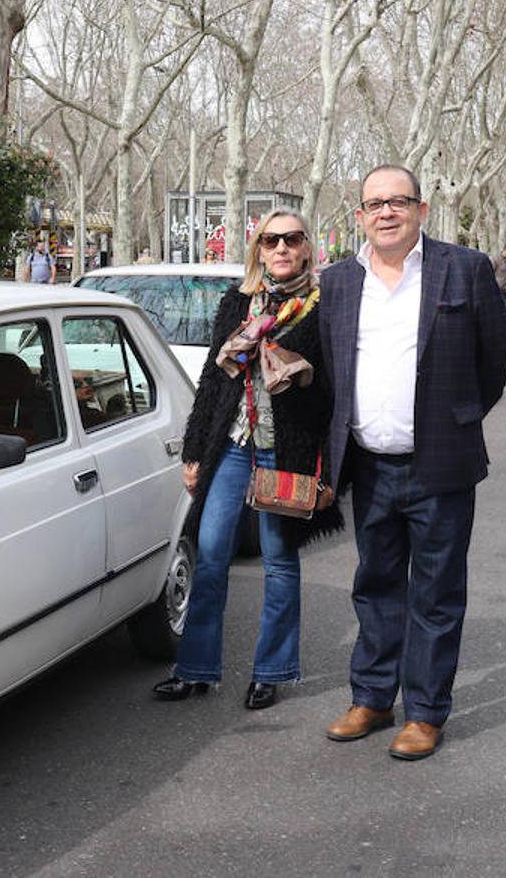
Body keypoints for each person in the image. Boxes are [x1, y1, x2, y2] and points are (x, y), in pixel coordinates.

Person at [317, 164, 506, 760]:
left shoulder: (465, 269)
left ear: (421, 210)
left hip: (440, 465)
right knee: (374, 586)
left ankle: (425, 712)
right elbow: (332, 368)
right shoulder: (339, 282)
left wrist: (454, 417)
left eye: (398, 201)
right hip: (369, 466)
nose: (386, 213)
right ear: (359, 216)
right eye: (374, 204)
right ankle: (373, 698)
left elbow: (493, 364)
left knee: (436, 591)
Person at [155, 209, 343, 711]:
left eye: (292, 239)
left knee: (279, 562)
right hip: (234, 444)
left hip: (286, 449)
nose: (281, 249)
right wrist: (195, 451)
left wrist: (303, 380)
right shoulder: (239, 305)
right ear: (258, 250)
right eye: (270, 240)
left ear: (307, 247)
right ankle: (194, 668)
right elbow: (213, 386)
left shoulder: (321, 308)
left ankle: (271, 671)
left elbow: (335, 398)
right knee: (211, 553)